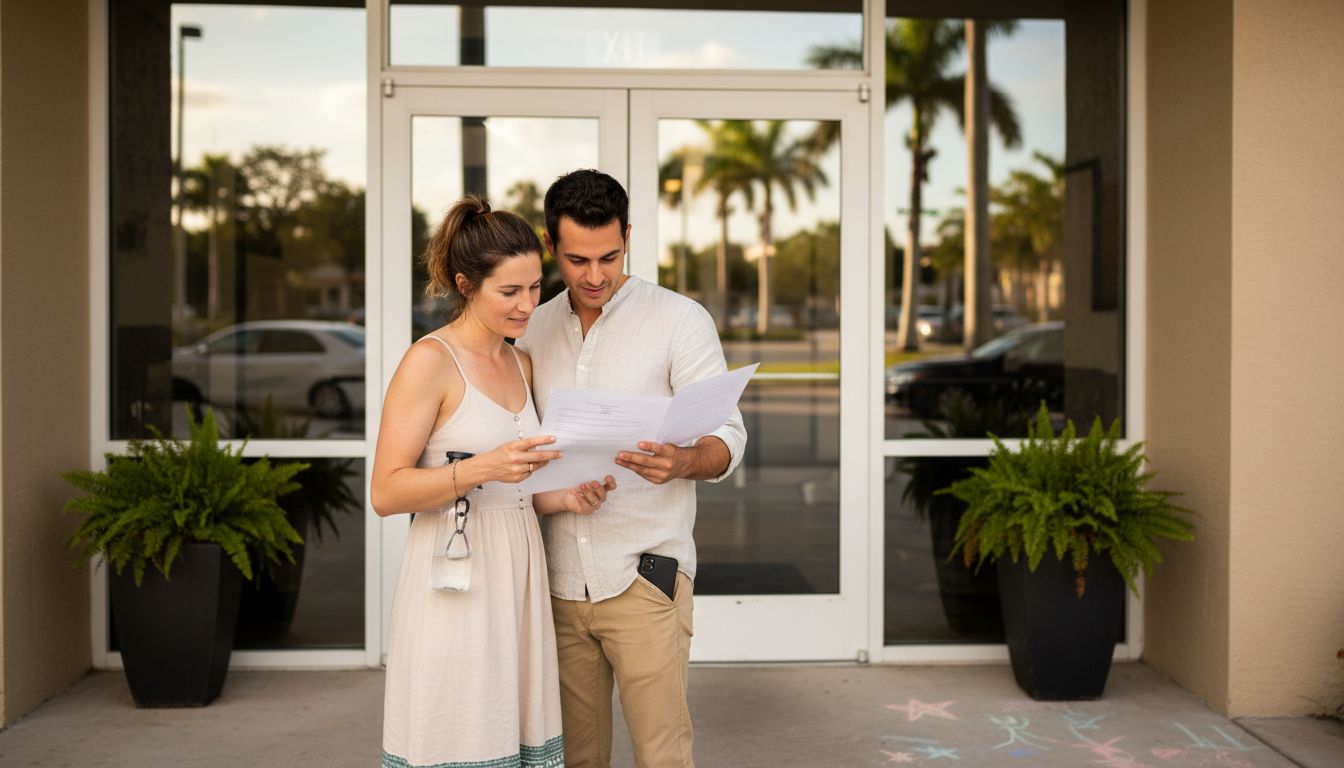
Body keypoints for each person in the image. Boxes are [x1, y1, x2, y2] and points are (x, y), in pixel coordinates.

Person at [372, 196, 616, 768]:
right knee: (460, 726)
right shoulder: (429, 361)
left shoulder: (519, 363)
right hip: (456, 577)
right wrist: (481, 467)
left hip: (519, 569)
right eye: (510, 292)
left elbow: (516, 491)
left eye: (535, 287)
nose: (528, 305)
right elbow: (385, 491)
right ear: (465, 283)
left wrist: (565, 496)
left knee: (510, 725)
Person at [516, 170, 748, 768]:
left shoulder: (680, 320)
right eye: (576, 260)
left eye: (609, 256)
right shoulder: (531, 327)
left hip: (646, 576)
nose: (595, 276)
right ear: (550, 246)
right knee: (576, 758)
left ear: (628, 238)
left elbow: (728, 434)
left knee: (662, 754)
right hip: (558, 581)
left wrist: (684, 460)